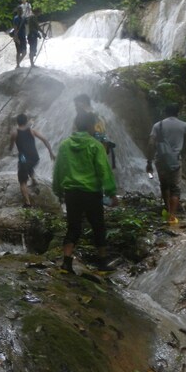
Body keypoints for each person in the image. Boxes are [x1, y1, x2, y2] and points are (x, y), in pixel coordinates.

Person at [52, 111, 117, 272]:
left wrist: (58, 190)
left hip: (71, 192)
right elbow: (104, 170)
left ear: (76, 125)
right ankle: (102, 261)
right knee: (98, 226)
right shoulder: (95, 145)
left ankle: (67, 261)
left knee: (73, 226)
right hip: (91, 192)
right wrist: (111, 192)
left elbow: (58, 169)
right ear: (90, 126)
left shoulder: (65, 145)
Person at [9, 114, 55, 208]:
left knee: (22, 181)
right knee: (28, 165)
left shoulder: (15, 133)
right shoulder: (31, 131)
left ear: (17, 122)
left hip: (24, 159)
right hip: (35, 157)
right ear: (26, 121)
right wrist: (51, 152)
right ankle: (33, 179)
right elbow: (45, 140)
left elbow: (11, 146)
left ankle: (27, 203)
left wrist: (10, 149)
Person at [73, 94, 116, 167]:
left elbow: (93, 132)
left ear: (84, 103)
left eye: (77, 105)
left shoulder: (90, 115)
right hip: (99, 146)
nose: (76, 107)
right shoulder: (95, 114)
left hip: (94, 147)